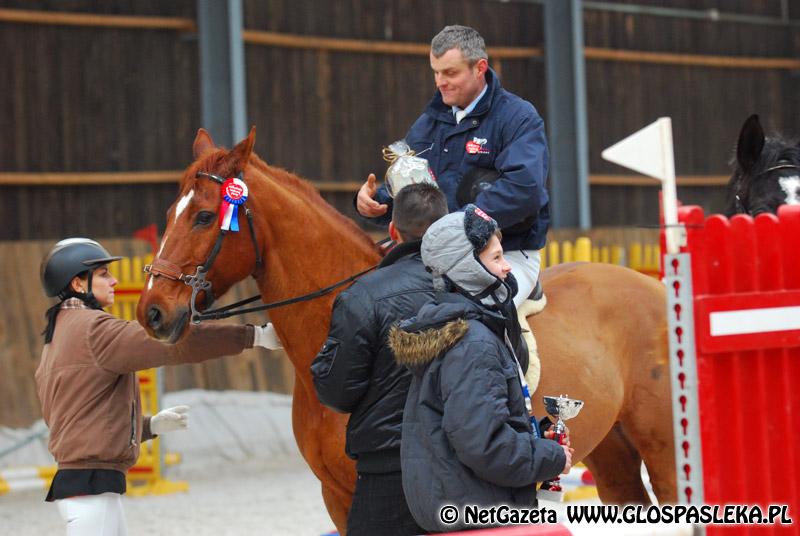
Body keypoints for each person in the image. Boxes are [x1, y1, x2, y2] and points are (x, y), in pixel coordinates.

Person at [36, 238, 281, 536]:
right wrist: (253, 336)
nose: (113, 280)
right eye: (103, 274)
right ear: (77, 284)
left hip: (90, 484)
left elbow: (80, 419)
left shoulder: (59, 335)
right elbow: (172, 344)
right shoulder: (94, 329)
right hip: (91, 486)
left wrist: (149, 426)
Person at [388, 205, 571, 533]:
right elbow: (483, 445)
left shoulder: (463, 331)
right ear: (467, 269)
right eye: (497, 258)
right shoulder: (473, 344)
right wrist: (552, 457)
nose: (506, 269)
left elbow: (471, 424)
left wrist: (531, 437)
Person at [356, 24, 550, 308]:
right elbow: (414, 189)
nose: (440, 82)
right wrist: (378, 202)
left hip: (506, 253)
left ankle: (516, 352)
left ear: (479, 67)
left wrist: (455, 226)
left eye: (450, 72)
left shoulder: (518, 117)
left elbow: (523, 190)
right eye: (436, 72)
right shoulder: (427, 123)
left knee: (474, 320)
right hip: (434, 254)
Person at [310, 183, 448, 536]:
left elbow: (337, 393)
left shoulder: (362, 297)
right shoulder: (477, 286)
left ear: (392, 230)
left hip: (390, 470)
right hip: (463, 466)